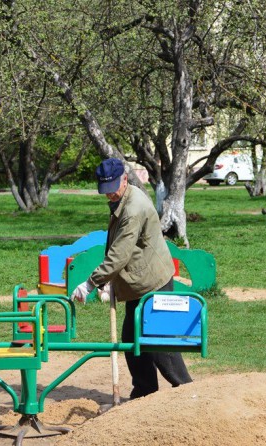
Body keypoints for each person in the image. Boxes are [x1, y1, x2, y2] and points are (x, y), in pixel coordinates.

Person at [71, 157, 192, 399]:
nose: (109, 195)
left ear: (124, 179)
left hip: (152, 280)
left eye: (112, 189)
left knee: (155, 340)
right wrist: (107, 281)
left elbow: (120, 253)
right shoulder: (124, 197)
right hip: (140, 279)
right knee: (132, 338)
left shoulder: (133, 207)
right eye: (105, 191)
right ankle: (145, 392)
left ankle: (186, 389)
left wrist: (91, 283)